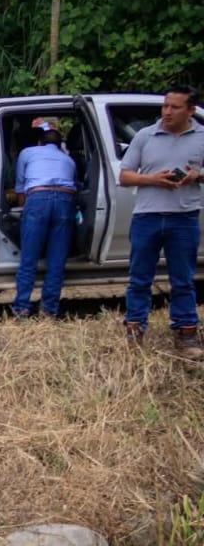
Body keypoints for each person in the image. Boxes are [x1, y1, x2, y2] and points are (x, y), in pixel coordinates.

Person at [118, 85, 204, 354]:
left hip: (185, 217)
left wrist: (197, 176)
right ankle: (134, 330)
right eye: (165, 106)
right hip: (147, 216)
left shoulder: (202, 137)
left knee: (183, 279)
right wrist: (153, 179)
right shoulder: (145, 135)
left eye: (175, 107)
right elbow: (124, 176)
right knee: (139, 278)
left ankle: (186, 333)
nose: (167, 112)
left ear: (190, 110)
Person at [9, 120, 79, 320]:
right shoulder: (69, 160)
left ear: (39, 142)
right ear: (60, 145)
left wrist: (22, 210)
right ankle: (49, 310)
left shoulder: (27, 153)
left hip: (38, 198)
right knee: (56, 261)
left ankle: (22, 308)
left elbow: (20, 187)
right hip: (65, 200)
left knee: (29, 259)